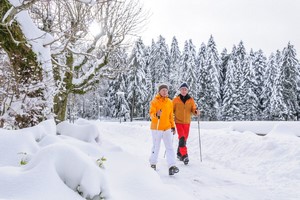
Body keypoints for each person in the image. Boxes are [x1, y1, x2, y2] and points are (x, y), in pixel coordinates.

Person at [149, 83, 179, 175]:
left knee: (169, 147)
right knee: (156, 146)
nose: (165, 92)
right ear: (159, 91)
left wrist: (173, 126)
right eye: (163, 90)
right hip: (157, 127)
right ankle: (153, 164)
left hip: (167, 128)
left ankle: (172, 166)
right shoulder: (154, 101)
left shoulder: (170, 102)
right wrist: (156, 115)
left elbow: (171, 116)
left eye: (166, 90)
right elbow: (151, 114)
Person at [173, 82, 200, 165]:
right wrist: (170, 118)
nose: (184, 91)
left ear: (187, 90)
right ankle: (185, 156)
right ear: (180, 90)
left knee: (184, 139)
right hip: (178, 122)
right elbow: (171, 110)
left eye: (185, 89)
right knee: (182, 138)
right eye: (182, 89)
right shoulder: (176, 100)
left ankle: (179, 154)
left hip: (187, 122)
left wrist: (196, 112)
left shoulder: (191, 100)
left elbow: (193, 109)